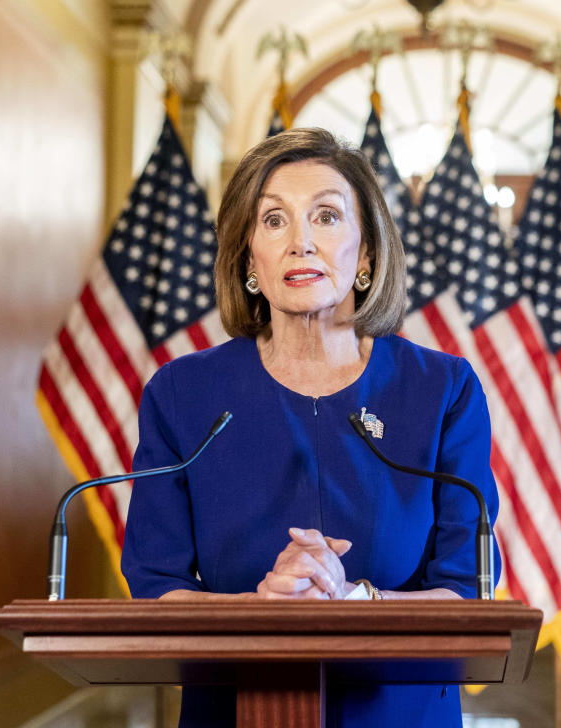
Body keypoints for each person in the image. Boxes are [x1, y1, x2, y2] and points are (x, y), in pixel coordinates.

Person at [120, 127, 500, 727]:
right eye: (274, 221)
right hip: (232, 711)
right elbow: (154, 581)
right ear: (249, 259)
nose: (301, 242)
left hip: (402, 713)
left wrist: (355, 601)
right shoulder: (182, 395)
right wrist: (257, 610)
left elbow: (467, 584)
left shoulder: (442, 390)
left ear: (367, 254)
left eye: (325, 216)